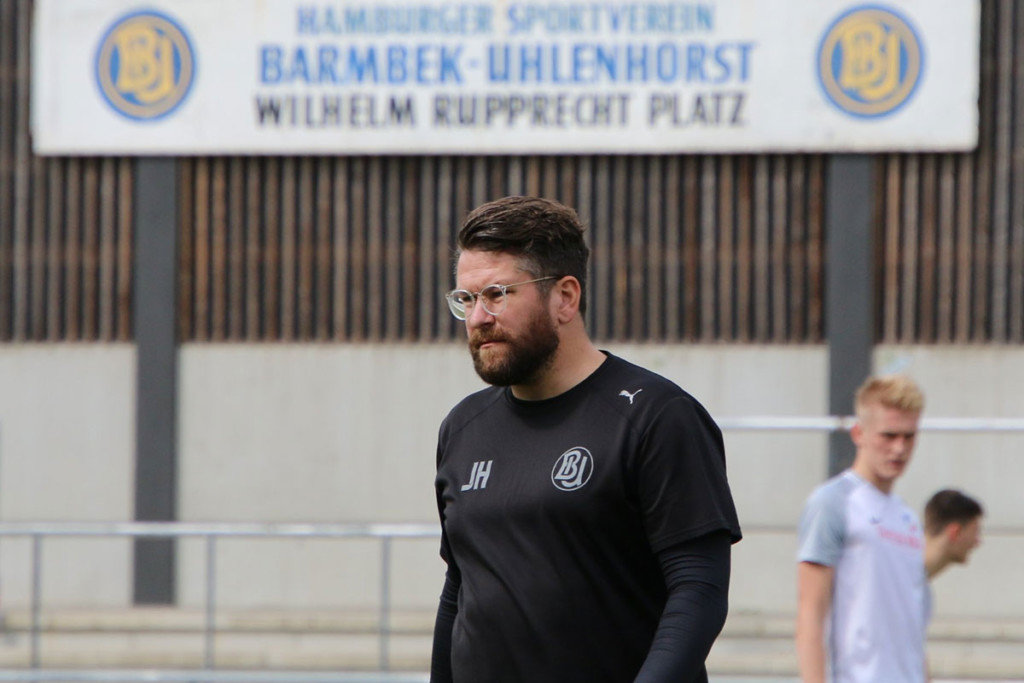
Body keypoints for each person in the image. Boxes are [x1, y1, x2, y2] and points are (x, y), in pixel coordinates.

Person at [430, 196, 742, 682]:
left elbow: (698, 590)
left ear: (565, 298)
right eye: (465, 300)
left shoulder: (656, 416)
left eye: (496, 294)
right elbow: (460, 588)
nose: (477, 319)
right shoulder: (463, 428)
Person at [795, 374, 927, 683]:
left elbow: (913, 623)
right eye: (889, 435)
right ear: (859, 433)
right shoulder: (832, 502)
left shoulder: (907, 518)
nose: (899, 448)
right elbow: (810, 614)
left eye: (909, 437)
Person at [923, 489, 983, 580]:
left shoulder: (914, 581)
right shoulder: (901, 580)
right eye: (975, 533)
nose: (977, 542)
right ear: (955, 532)